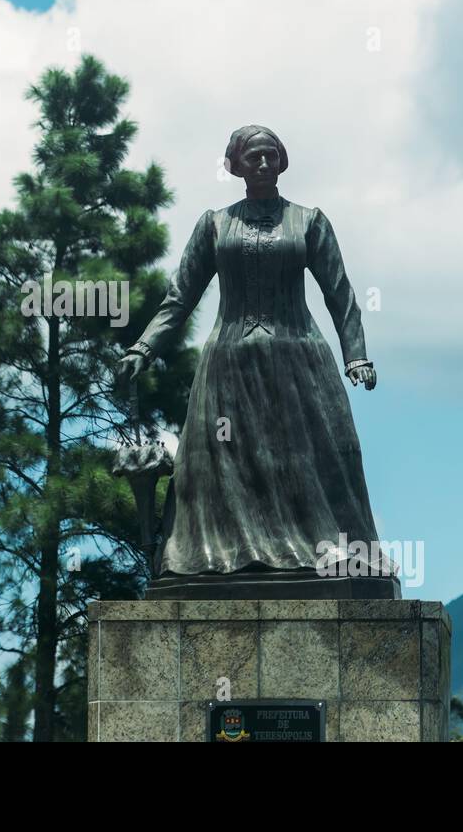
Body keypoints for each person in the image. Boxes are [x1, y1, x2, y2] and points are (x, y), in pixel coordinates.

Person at [117, 125, 393, 595]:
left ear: (283, 162)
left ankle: (326, 555)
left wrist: (357, 356)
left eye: (270, 157)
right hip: (228, 365)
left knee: (310, 462)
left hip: (299, 361)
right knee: (221, 466)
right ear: (235, 166)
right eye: (253, 158)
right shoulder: (214, 225)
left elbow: (340, 294)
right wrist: (143, 348)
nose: (263, 165)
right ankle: (220, 560)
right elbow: (179, 299)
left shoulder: (309, 221)